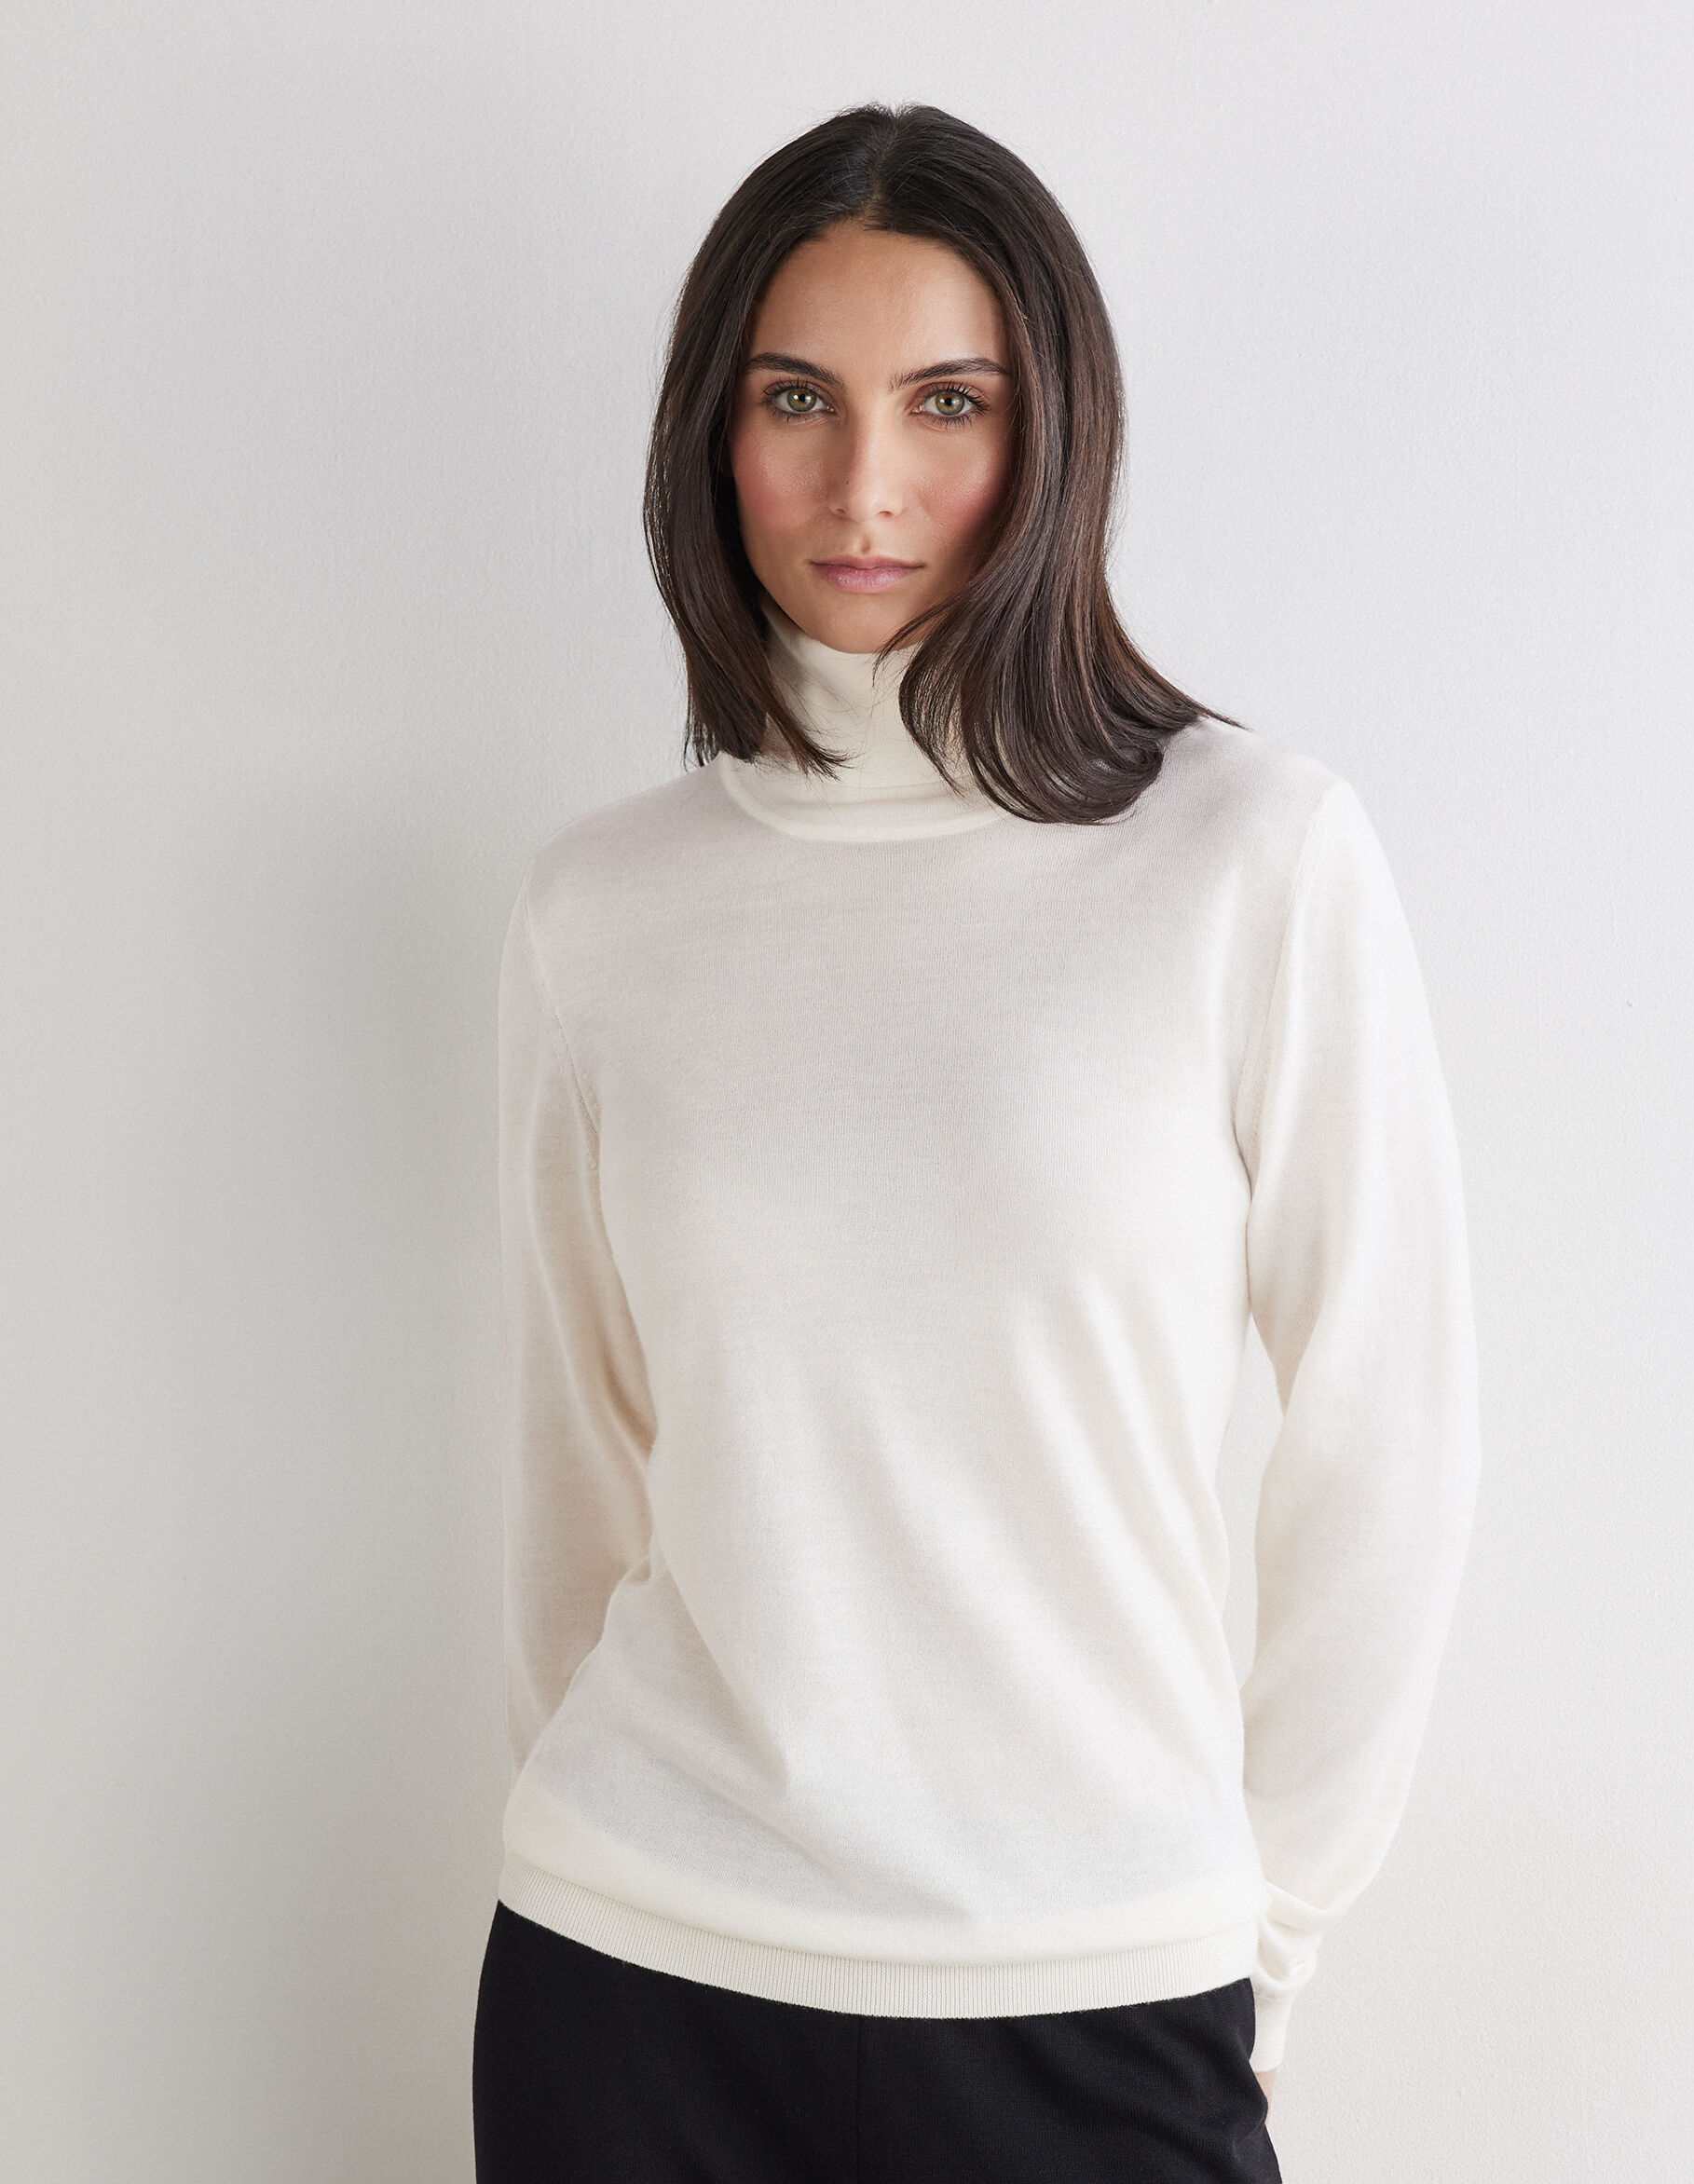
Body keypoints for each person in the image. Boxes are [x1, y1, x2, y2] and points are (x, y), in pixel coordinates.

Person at [471, 101, 1481, 2184]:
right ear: (710, 432)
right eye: (796, 399)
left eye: (948, 402)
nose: (866, 485)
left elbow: (1390, 1431)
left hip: (1100, 1994)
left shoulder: (1248, 855)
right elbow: (578, 1451)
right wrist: (616, 1847)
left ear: (1052, 432)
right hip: (636, 1978)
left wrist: (1257, 1932)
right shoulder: (601, 909)